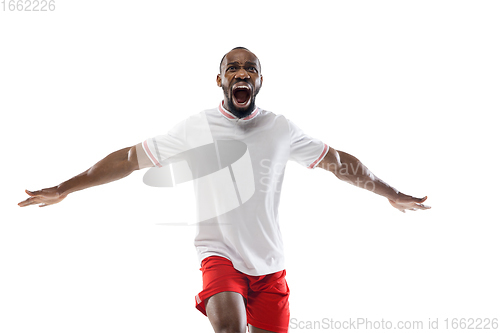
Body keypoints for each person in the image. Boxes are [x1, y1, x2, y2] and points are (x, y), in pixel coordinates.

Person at [18, 47, 430, 333]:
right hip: (219, 255)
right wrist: (64, 188)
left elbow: (342, 164)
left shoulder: (280, 128)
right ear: (220, 79)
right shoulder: (196, 127)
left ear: (260, 80)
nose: (241, 73)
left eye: (250, 68)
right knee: (231, 329)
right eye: (233, 68)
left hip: (270, 264)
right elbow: (127, 159)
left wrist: (389, 191)